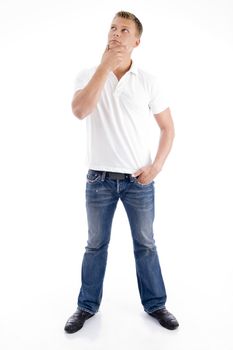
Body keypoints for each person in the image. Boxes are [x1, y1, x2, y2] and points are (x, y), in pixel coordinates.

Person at [64, 11, 179, 333]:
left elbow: (168, 129)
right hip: (98, 179)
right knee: (95, 244)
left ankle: (156, 304)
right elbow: (79, 111)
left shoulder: (149, 81)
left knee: (146, 244)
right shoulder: (88, 74)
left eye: (124, 30)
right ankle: (86, 306)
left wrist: (156, 167)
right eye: (112, 28)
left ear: (136, 41)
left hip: (137, 181)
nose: (116, 33)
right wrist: (103, 67)